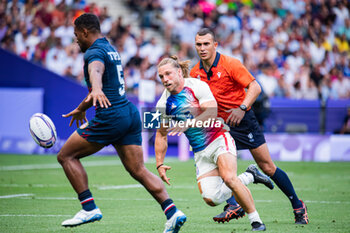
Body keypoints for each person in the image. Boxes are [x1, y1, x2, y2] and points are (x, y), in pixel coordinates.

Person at [57, 13, 186, 233]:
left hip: (111, 116)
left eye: (76, 34)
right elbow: (106, 88)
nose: (75, 39)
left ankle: (88, 207)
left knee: (66, 156)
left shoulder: (93, 52)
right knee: (138, 170)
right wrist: (82, 108)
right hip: (128, 113)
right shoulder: (110, 48)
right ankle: (173, 212)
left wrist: (95, 87)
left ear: (85, 32)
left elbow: (95, 71)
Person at [190, 28, 309, 225]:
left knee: (267, 166)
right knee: (218, 166)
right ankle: (233, 204)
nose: (202, 48)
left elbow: (255, 87)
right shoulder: (196, 73)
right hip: (220, 126)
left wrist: (242, 108)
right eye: (199, 44)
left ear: (215, 45)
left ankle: (298, 205)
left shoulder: (231, 64)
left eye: (206, 44)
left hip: (242, 120)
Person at [155, 55, 269, 231]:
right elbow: (161, 134)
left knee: (229, 178)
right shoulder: (163, 104)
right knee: (211, 199)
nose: (165, 79)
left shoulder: (196, 86)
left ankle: (256, 222)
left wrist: (188, 124)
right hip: (200, 151)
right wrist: (159, 163)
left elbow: (211, 112)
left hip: (219, 139)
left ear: (179, 72)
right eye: (161, 76)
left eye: (168, 74)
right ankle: (250, 175)